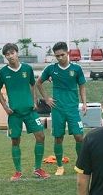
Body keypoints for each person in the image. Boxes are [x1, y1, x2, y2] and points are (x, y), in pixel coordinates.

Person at [0, 43, 50, 180]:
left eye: (12, 53)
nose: (10, 56)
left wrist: (34, 100)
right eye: (7, 54)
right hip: (14, 113)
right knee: (15, 141)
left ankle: (38, 169)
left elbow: (33, 84)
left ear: (17, 53)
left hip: (30, 111)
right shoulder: (2, 72)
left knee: (41, 137)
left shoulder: (27, 68)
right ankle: (18, 171)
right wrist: (5, 107)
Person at [36, 42, 87, 176]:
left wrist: (85, 103)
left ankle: (80, 165)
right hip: (57, 109)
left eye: (62, 55)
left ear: (68, 53)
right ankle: (59, 166)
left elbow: (82, 86)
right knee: (58, 137)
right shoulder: (51, 69)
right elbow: (38, 83)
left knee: (79, 137)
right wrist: (47, 99)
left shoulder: (76, 69)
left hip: (72, 108)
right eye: (57, 56)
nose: (59, 58)